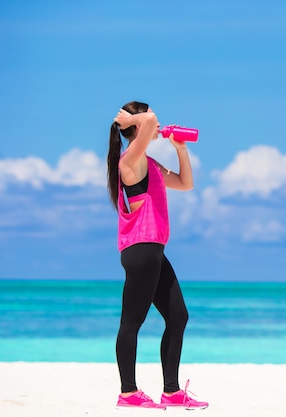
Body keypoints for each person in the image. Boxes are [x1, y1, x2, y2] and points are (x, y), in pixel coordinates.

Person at [107, 101, 208, 410]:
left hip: (154, 251)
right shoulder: (130, 161)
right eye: (150, 121)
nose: (158, 124)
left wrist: (179, 148)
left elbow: (185, 183)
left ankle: (172, 391)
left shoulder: (148, 163)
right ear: (137, 127)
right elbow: (150, 119)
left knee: (178, 317)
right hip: (141, 250)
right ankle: (128, 393)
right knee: (132, 323)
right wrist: (135, 118)